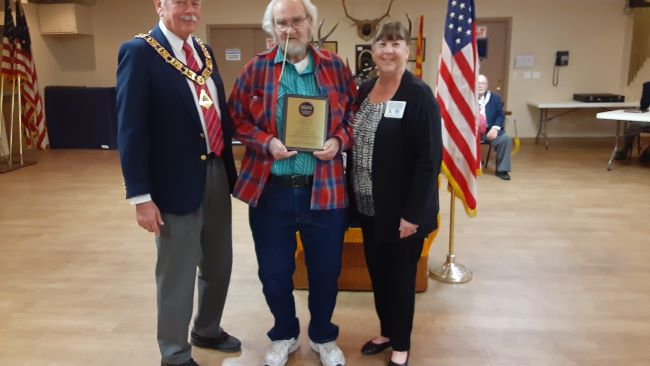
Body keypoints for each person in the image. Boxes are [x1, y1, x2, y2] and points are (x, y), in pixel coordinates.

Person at [227, 1, 356, 365]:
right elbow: (235, 118)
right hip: (272, 193)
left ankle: (322, 336)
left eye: (296, 21)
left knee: (327, 270)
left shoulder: (334, 66)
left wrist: (338, 142)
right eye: (281, 23)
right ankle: (284, 332)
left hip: (324, 190)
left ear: (310, 24)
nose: (289, 29)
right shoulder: (256, 70)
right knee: (273, 272)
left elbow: (354, 114)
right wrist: (265, 142)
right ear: (272, 28)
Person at [116, 1, 240, 365]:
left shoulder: (203, 51)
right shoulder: (139, 52)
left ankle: (207, 329)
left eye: (195, 2)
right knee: (177, 275)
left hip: (216, 171)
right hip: (173, 183)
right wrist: (140, 197)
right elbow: (130, 130)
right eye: (180, 1)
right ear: (160, 5)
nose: (190, 9)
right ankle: (173, 353)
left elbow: (218, 110)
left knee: (220, 264)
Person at [349, 22, 442, 366]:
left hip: (403, 212)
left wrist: (412, 214)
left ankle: (401, 344)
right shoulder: (366, 89)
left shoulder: (418, 95)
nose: (388, 50)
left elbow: (429, 160)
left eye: (395, 43)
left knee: (401, 279)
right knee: (379, 274)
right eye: (382, 44)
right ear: (373, 51)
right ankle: (387, 330)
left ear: (408, 50)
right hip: (369, 206)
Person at [477, 74, 513, 180]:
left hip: (489, 131)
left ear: (487, 85)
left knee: (505, 139)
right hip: (471, 131)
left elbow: (500, 116)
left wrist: (495, 128)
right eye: (478, 83)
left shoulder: (495, 98)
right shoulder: (467, 97)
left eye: (482, 83)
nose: (480, 86)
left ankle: (502, 170)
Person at [614, 81, 650, 163]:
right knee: (635, 124)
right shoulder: (648, 85)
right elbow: (644, 105)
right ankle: (626, 149)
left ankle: (647, 151)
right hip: (647, 118)